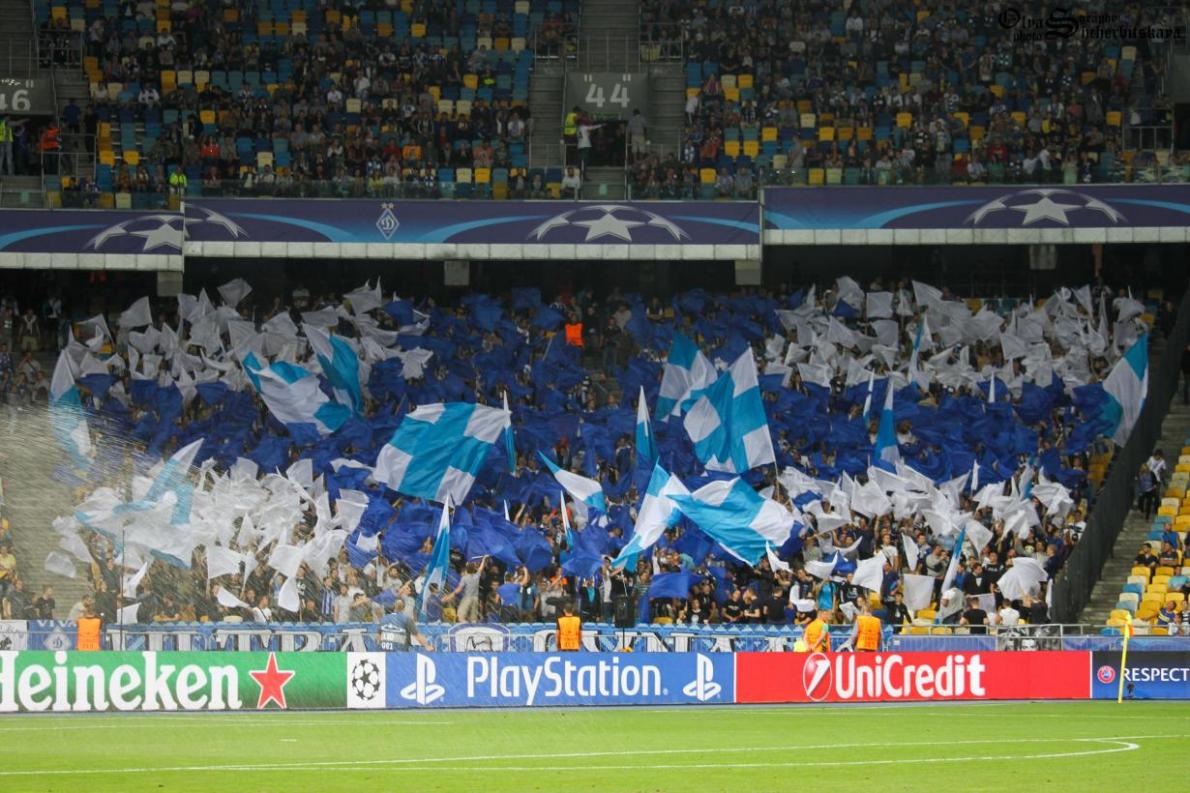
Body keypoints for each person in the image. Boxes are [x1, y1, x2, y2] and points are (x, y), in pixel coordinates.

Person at [448, 556, 487, 623]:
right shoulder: (476, 576)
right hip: (475, 599)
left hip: (467, 598)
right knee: (473, 619)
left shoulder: (465, 578)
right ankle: (472, 627)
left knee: (460, 616)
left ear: (466, 570)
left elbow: (459, 589)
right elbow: (481, 568)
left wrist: (451, 595)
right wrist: (484, 559)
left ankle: (466, 625)